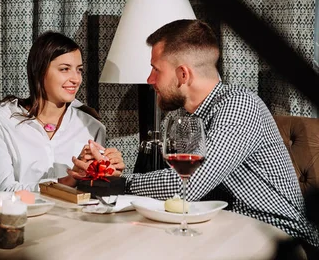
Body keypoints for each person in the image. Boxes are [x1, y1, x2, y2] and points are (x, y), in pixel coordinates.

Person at [69, 19, 319, 252]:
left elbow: (190, 184)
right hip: (221, 228)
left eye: (156, 69)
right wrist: (107, 172)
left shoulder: (240, 106)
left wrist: (120, 184)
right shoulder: (186, 118)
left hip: (278, 235)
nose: (149, 79)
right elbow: (180, 190)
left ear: (183, 74)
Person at [0, 30, 124, 192]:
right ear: (39, 71)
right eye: (64, 69)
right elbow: (2, 190)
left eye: (79, 70)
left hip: (75, 217)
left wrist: (108, 174)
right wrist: (65, 182)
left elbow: (93, 195)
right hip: (21, 216)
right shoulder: (0, 119)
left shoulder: (93, 127)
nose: (76, 79)